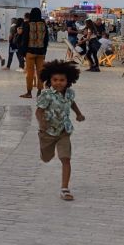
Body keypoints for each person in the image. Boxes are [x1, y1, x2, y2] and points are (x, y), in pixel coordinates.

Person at [35, 60, 85, 201]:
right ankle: (45, 152)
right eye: (55, 80)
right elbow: (39, 111)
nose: (58, 83)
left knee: (66, 159)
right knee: (46, 158)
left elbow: (72, 103)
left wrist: (78, 114)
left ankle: (65, 189)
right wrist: (42, 123)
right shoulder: (46, 95)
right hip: (48, 132)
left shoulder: (69, 93)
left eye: (62, 80)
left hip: (64, 130)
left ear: (68, 80)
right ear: (50, 80)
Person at [19, 7, 50, 98]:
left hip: (30, 52)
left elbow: (25, 39)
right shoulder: (43, 24)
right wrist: (44, 51)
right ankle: (40, 91)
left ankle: (29, 92)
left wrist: (23, 52)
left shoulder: (27, 24)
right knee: (40, 72)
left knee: (30, 73)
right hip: (41, 52)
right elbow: (46, 39)